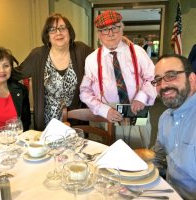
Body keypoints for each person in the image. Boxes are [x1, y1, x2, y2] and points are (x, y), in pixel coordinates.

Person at [80, 10, 157, 148]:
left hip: (137, 110)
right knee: (108, 156)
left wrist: (142, 97)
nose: (110, 33)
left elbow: (153, 78)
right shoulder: (91, 60)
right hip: (107, 115)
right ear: (99, 34)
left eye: (115, 27)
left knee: (138, 153)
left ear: (122, 29)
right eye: (104, 30)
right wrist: (104, 110)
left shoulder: (138, 52)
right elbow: (85, 92)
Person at [12, 13, 94, 131]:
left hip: (76, 122)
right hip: (46, 124)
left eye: (62, 28)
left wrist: (119, 43)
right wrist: (1, 63)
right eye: (52, 30)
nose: (58, 33)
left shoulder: (81, 50)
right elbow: (15, 74)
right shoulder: (38, 55)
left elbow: (102, 58)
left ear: (69, 32)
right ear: (47, 36)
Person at [151, 54, 196, 199]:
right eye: (158, 80)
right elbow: (158, 156)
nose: (163, 86)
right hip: (167, 192)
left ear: (192, 79)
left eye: (171, 75)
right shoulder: (165, 117)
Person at [0, 47, 31, 132]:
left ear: (11, 68)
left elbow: (26, 122)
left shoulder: (21, 90)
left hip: (15, 141)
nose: (1, 70)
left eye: (6, 66)